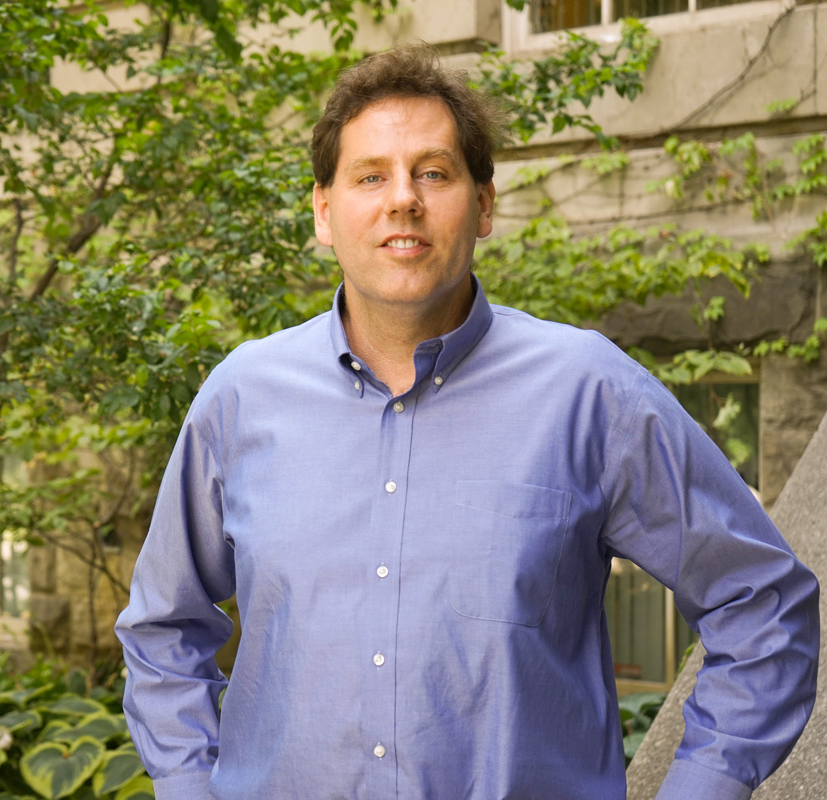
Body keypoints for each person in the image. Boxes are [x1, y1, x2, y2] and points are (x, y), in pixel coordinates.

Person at [114, 43, 819, 800]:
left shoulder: (588, 392)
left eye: (434, 172)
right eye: (370, 176)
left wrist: (702, 786)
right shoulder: (242, 398)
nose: (403, 200)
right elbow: (163, 631)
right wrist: (188, 785)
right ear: (324, 212)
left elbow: (762, 604)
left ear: (483, 205)